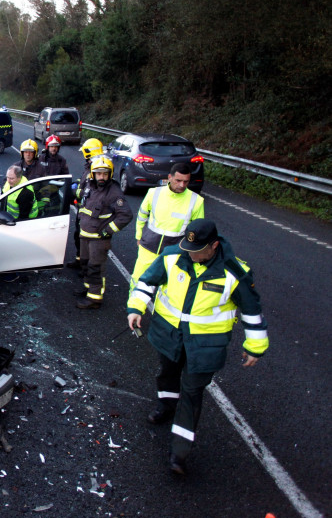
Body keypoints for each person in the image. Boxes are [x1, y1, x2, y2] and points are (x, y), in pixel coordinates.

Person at [127, 219, 267, 475]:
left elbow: (252, 310)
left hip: (205, 346)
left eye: (197, 250)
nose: (190, 254)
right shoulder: (172, 256)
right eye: (187, 248)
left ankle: (179, 453)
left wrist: (255, 345)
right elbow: (147, 281)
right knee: (167, 374)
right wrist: (136, 307)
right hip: (169, 336)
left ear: (213, 246)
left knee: (192, 393)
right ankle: (166, 406)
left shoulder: (235, 272)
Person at [129, 164, 205, 292]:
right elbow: (142, 215)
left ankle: (161, 311)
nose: (182, 185)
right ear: (169, 177)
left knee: (168, 288)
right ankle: (134, 309)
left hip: (174, 252)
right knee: (138, 280)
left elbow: (198, 230)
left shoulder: (196, 201)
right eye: (178, 180)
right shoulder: (154, 193)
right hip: (149, 247)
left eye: (186, 181)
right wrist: (138, 236)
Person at [75, 156, 132, 309]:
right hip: (85, 235)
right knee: (85, 264)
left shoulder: (114, 192)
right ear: (93, 174)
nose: (101, 177)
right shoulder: (89, 186)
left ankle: (95, 298)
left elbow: (125, 215)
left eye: (105, 174)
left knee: (96, 267)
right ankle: (89, 289)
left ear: (110, 174)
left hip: (98, 239)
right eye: (99, 173)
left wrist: (108, 231)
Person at [66, 138, 105, 271]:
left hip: (90, 214)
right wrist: (77, 183)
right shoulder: (91, 167)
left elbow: (90, 192)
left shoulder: (97, 169)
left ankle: (87, 268)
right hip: (83, 211)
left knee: (87, 242)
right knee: (79, 237)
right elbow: (84, 182)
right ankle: (80, 261)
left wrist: (75, 191)